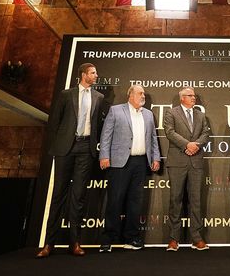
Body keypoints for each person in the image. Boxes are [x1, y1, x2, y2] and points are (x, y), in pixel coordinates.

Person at [37, 63, 104, 258]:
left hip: (86, 148)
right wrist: (57, 146)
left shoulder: (99, 97)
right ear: (84, 75)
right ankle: (49, 244)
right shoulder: (66, 95)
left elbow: (98, 125)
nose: (96, 75)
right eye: (93, 73)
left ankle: (75, 243)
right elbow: (55, 122)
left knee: (79, 196)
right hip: (65, 148)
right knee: (58, 194)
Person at [98, 84, 160, 252]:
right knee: (114, 201)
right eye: (140, 93)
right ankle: (108, 238)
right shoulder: (116, 110)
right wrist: (104, 156)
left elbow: (153, 138)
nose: (143, 96)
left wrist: (155, 157)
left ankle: (132, 238)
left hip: (140, 164)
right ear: (130, 95)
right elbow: (106, 135)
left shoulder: (148, 114)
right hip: (119, 163)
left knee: (135, 202)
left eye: (144, 94)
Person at [163, 87, 211, 251]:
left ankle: (196, 238)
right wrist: (187, 145)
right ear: (182, 98)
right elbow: (169, 132)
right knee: (175, 200)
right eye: (190, 96)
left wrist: (195, 145)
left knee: (195, 201)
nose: (194, 98)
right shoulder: (172, 113)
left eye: (194, 96)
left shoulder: (201, 115)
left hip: (196, 162)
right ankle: (173, 239)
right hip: (177, 162)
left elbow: (206, 133)